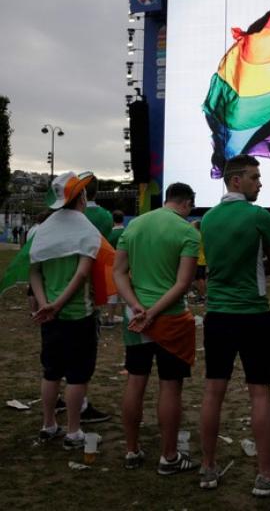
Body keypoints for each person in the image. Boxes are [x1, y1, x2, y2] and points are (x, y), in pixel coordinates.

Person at [200, 154, 270, 497]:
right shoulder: (259, 216)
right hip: (253, 313)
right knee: (260, 393)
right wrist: (255, 270)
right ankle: (265, 475)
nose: (259, 182)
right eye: (254, 177)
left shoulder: (207, 219)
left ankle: (207, 468)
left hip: (218, 315)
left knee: (212, 392)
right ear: (236, 181)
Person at [113, 182, 200, 474]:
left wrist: (137, 306)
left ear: (166, 199)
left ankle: (131, 449)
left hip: (135, 319)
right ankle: (169, 456)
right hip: (171, 320)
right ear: (187, 203)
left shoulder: (134, 225)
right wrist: (154, 312)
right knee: (170, 387)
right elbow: (183, 283)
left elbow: (119, 272)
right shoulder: (187, 231)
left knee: (135, 382)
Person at [29, 171, 115, 449]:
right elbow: (81, 276)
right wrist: (58, 304)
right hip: (78, 315)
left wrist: (45, 305)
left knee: (50, 371)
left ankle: (48, 424)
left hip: (50, 317)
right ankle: (73, 431)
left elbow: (34, 272)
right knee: (78, 375)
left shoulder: (42, 230)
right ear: (82, 197)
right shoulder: (85, 230)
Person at [191, 219, 207, 304]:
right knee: (200, 279)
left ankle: (202, 296)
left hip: (199, 261)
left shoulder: (196, 235)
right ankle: (202, 295)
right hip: (202, 260)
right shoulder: (202, 235)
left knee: (199, 279)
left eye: (192, 225)